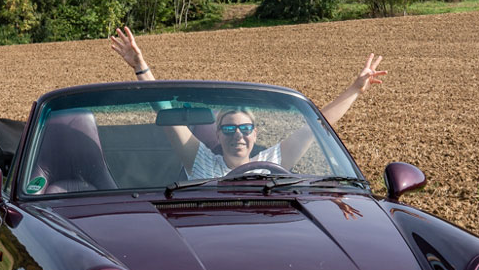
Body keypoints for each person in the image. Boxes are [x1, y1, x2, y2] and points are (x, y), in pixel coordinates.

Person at [109, 26, 385, 175]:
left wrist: (355, 89)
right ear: (218, 133)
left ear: (255, 133)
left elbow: (316, 125)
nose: (237, 135)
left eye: (244, 128)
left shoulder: (272, 161)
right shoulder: (201, 162)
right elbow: (165, 112)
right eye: (229, 129)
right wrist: (140, 66)